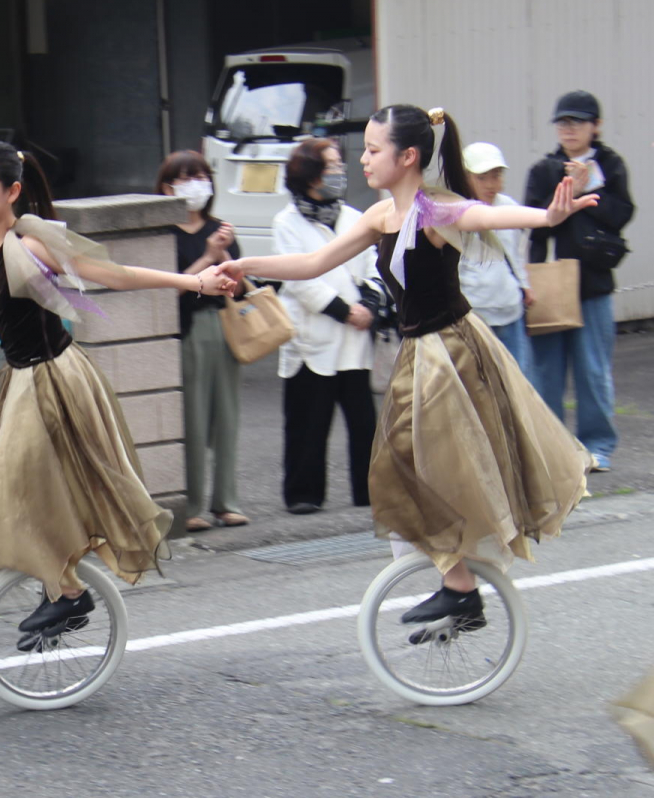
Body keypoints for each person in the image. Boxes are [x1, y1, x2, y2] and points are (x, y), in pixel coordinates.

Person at [218, 105, 594, 634]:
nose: (363, 160)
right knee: (409, 470)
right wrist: (244, 265)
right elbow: (311, 265)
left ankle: (460, 588)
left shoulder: (435, 211)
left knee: (422, 469)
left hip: (451, 353)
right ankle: (458, 585)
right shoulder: (379, 215)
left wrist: (547, 217)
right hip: (419, 354)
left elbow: (482, 216)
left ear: (409, 156)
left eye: (374, 150)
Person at [0, 139, 237, 651]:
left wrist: (195, 283)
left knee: (3, 495)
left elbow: (114, 275)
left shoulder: (32, 243)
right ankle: (63, 587)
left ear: (12, 192)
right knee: (24, 493)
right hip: (21, 383)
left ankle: (68, 593)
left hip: (57, 379)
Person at [525, 90, 634, 473]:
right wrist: (568, 190)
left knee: (593, 371)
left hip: (593, 283)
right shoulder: (544, 169)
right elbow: (534, 224)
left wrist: (590, 189)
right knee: (546, 373)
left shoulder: (611, 165)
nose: (568, 129)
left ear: (595, 126)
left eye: (577, 121)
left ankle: (597, 447)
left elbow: (621, 215)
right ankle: (553, 449)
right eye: (562, 122)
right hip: (549, 283)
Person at [272, 138, 382, 515]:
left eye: (338, 164)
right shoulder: (286, 223)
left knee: (364, 422)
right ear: (310, 175)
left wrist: (370, 304)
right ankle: (304, 493)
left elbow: (372, 265)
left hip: (355, 337)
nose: (339, 172)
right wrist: (345, 311)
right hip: (312, 338)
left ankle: (370, 491)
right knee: (308, 421)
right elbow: (300, 281)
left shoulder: (354, 217)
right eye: (331, 166)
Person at [156, 150, 247, 531]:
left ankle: (226, 501)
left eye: (202, 176)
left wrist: (224, 255)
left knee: (227, 418)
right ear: (168, 187)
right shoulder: (164, 233)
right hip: (188, 331)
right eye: (187, 177)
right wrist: (208, 256)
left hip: (223, 326)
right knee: (192, 421)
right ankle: (191, 506)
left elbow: (238, 289)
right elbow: (166, 290)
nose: (197, 184)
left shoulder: (220, 229)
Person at [459, 142, 534, 379]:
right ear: (465, 177)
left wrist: (524, 284)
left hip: (511, 309)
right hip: (474, 314)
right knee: (479, 385)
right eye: (482, 178)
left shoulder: (508, 206)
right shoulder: (456, 212)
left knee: (516, 383)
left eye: (496, 175)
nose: (491, 184)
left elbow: (516, 252)